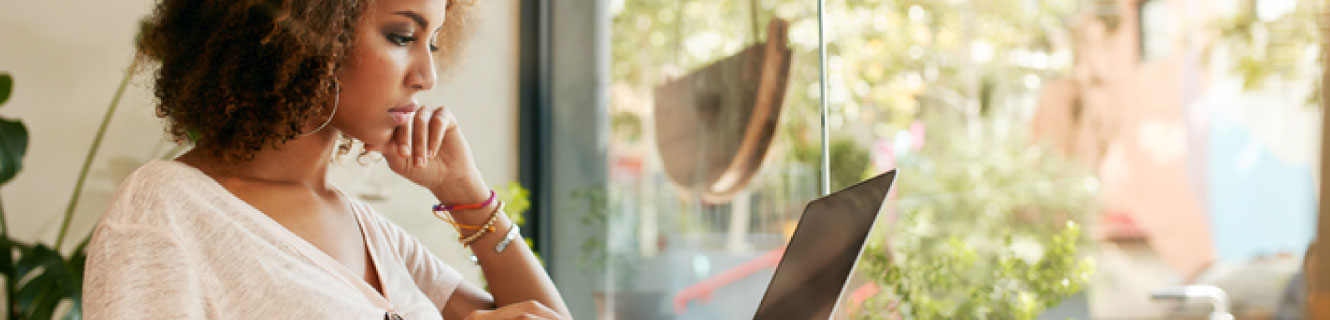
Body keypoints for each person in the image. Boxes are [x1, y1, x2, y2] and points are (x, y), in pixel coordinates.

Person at [81, 0, 570, 319]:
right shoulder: (164, 212)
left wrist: (469, 199)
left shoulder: (371, 234)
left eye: (434, 42)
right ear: (309, 33)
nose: (428, 75)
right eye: (402, 36)